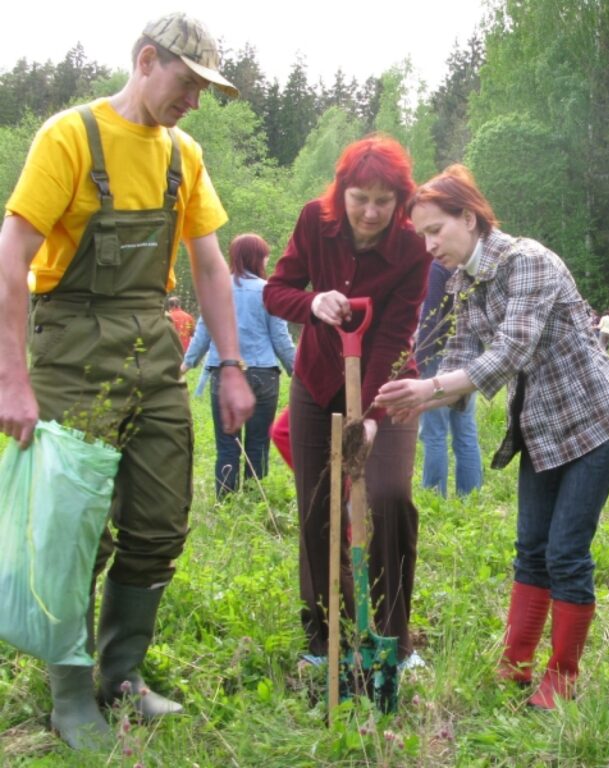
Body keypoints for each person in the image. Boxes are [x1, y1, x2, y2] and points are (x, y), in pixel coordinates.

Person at [0, 13, 254, 749]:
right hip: (70, 345)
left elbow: (208, 264)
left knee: (159, 520)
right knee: (71, 529)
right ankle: (71, 696)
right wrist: (11, 380)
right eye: (188, 83)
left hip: (151, 343)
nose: (195, 102)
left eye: (206, 91)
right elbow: (11, 255)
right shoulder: (68, 138)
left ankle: (122, 677)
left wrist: (232, 366)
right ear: (147, 61)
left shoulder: (184, 155)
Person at [375, 165, 609, 709]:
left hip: (593, 424)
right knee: (529, 550)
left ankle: (562, 675)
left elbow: (508, 353)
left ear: (468, 218)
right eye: (421, 236)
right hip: (540, 429)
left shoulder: (528, 263)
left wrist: (430, 389)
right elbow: (463, 357)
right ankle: (516, 665)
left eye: (434, 231)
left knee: (566, 552)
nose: (428, 247)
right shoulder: (467, 281)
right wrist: (419, 397)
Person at [263, 135, 431, 672]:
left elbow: (397, 332)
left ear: (400, 200)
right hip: (316, 381)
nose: (372, 211)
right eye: (361, 197)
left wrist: (375, 414)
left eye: (384, 200)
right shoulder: (316, 220)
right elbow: (277, 289)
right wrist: (312, 302)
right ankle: (324, 638)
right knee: (318, 506)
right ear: (343, 191)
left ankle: (392, 641)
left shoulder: (412, 244)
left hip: (387, 382)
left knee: (387, 497)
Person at [182, 234, 295, 498]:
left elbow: (203, 332)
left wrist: (186, 364)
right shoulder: (268, 291)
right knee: (258, 443)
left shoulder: (217, 289)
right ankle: (256, 498)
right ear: (258, 257)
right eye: (265, 254)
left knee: (226, 443)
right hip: (264, 375)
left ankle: (226, 500)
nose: (267, 259)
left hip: (224, 372)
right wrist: (296, 370)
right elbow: (280, 338)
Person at [415, 260, 484, 497]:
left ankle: (434, 495)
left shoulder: (438, 267)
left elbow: (429, 320)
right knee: (465, 431)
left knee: (434, 432)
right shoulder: (468, 265)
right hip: (468, 358)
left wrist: (419, 363)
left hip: (438, 357)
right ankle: (471, 496)